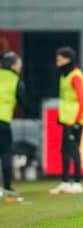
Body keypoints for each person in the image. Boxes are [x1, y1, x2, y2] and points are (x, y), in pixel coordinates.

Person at [49, 47, 83, 195]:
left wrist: (77, 120)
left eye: (60, 58)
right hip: (67, 120)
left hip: (75, 120)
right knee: (65, 151)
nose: (57, 61)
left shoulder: (75, 76)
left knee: (73, 151)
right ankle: (65, 182)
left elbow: (82, 99)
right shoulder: (65, 76)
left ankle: (78, 183)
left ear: (68, 59)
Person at [0, 51, 27, 198]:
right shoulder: (15, 81)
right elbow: (24, 102)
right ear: (13, 65)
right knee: (5, 154)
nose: (20, 67)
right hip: (3, 122)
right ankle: (7, 186)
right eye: (18, 64)